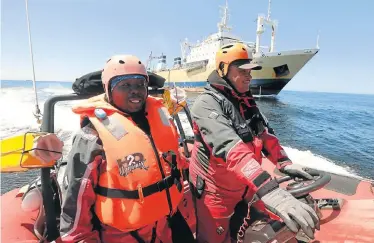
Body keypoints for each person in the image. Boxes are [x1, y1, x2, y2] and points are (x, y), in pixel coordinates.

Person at [33, 55, 194, 243]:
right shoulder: (92, 135)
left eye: (140, 84)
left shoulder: (160, 119)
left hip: (166, 223)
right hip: (123, 235)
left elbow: (174, 158)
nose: (135, 91)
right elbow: (77, 197)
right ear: (108, 89)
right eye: (125, 85)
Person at [188, 43, 320, 243]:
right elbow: (232, 149)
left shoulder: (246, 101)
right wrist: (269, 189)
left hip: (246, 186)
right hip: (216, 192)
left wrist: (284, 162)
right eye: (242, 71)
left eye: (250, 71)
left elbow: (264, 135)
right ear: (223, 70)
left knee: (255, 229)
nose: (249, 76)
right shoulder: (205, 104)